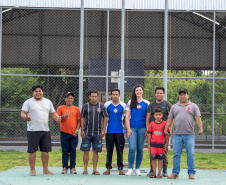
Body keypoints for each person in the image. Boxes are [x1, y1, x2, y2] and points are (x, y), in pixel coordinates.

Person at [20, 84, 61, 176]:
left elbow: (53, 114)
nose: (38, 93)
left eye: (40, 91)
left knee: (45, 151)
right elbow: (22, 113)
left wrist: (57, 119)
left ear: (42, 92)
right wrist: (26, 117)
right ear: (33, 92)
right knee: (32, 151)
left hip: (45, 131)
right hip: (32, 131)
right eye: (36, 91)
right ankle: (32, 170)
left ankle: (45, 170)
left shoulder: (48, 102)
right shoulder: (28, 102)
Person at [164, 88, 203, 180]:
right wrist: (166, 129)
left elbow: (198, 118)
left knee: (190, 154)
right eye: (181, 94)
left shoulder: (193, 106)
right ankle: (175, 173)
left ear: (187, 95)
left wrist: (201, 128)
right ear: (179, 96)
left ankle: (191, 173)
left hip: (189, 134)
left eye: (184, 94)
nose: (182, 96)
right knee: (176, 154)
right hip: (177, 135)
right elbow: (170, 119)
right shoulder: (174, 106)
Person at [80, 90, 108, 175]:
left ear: (98, 97)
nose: (94, 98)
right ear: (89, 97)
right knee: (86, 151)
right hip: (87, 133)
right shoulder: (85, 106)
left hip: (98, 133)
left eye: (96, 96)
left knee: (95, 151)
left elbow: (105, 117)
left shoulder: (102, 106)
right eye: (92, 96)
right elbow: (82, 118)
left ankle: (94, 169)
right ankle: (85, 169)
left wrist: (103, 130)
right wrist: (82, 130)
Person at [146, 86, 172, 177]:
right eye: (157, 93)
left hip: (164, 133)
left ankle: (164, 170)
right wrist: (147, 131)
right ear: (155, 94)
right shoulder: (151, 105)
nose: (159, 94)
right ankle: (152, 170)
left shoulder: (167, 105)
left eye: (161, 93)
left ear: (163, 94)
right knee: (152, 151)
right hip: (154, 133)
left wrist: (170, 129)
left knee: (164, 150)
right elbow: (148, 118)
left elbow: (171, 118)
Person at [125, 84, 150, 176]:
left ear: (142, 91)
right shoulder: (130, 102)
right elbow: (127, 116)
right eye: (137, 90)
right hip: (132, 128)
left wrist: (148, 130)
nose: (138, 92)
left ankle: (137, 169)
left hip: (143, 128)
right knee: (132, 148)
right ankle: (130, 168)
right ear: (134, 92)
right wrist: (128, 129)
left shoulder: (147, 103)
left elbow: (148, 118)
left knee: (140, 149)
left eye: (140, 90)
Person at [103, 89, 126, 175]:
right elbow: (104, 117)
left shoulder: (123, 105)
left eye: (116, 94)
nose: (115, 96)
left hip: (120, 131)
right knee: (109, 150)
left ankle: (120, 168)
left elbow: (124, 118)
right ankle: (108, 168)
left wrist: (120, 124)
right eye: (113, 94)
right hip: (109, 131)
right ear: (111, 95)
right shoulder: (107, 105)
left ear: (119, 95)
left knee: (120, 150)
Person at [57, 92, 81, 174]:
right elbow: (58, 120)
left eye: (71, 98)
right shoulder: (61, 108)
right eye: (68, 98)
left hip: (74, 133)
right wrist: (63, 116)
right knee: (65, 151)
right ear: (65, 99)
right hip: (64, 133)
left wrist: (77, 130)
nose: (70, 99)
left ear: (73, 99)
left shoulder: (76, 109)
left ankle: (73, 167)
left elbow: (79, 121)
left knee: (73, 151)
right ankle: (65, 167)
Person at [147, 107, 169, 178]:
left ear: (162, 115)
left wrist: (166, 143)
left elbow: (167, 134)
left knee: (160, 159)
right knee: (153, 159)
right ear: (154, 116)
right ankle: (154, 173)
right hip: (153, 145)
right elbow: (149, 134)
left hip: (161, 145)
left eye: (159, 115)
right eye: (156, 115)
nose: (158, 116)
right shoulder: (151, 124)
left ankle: (159, 173)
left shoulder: (165, 124)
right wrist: (149, 144)